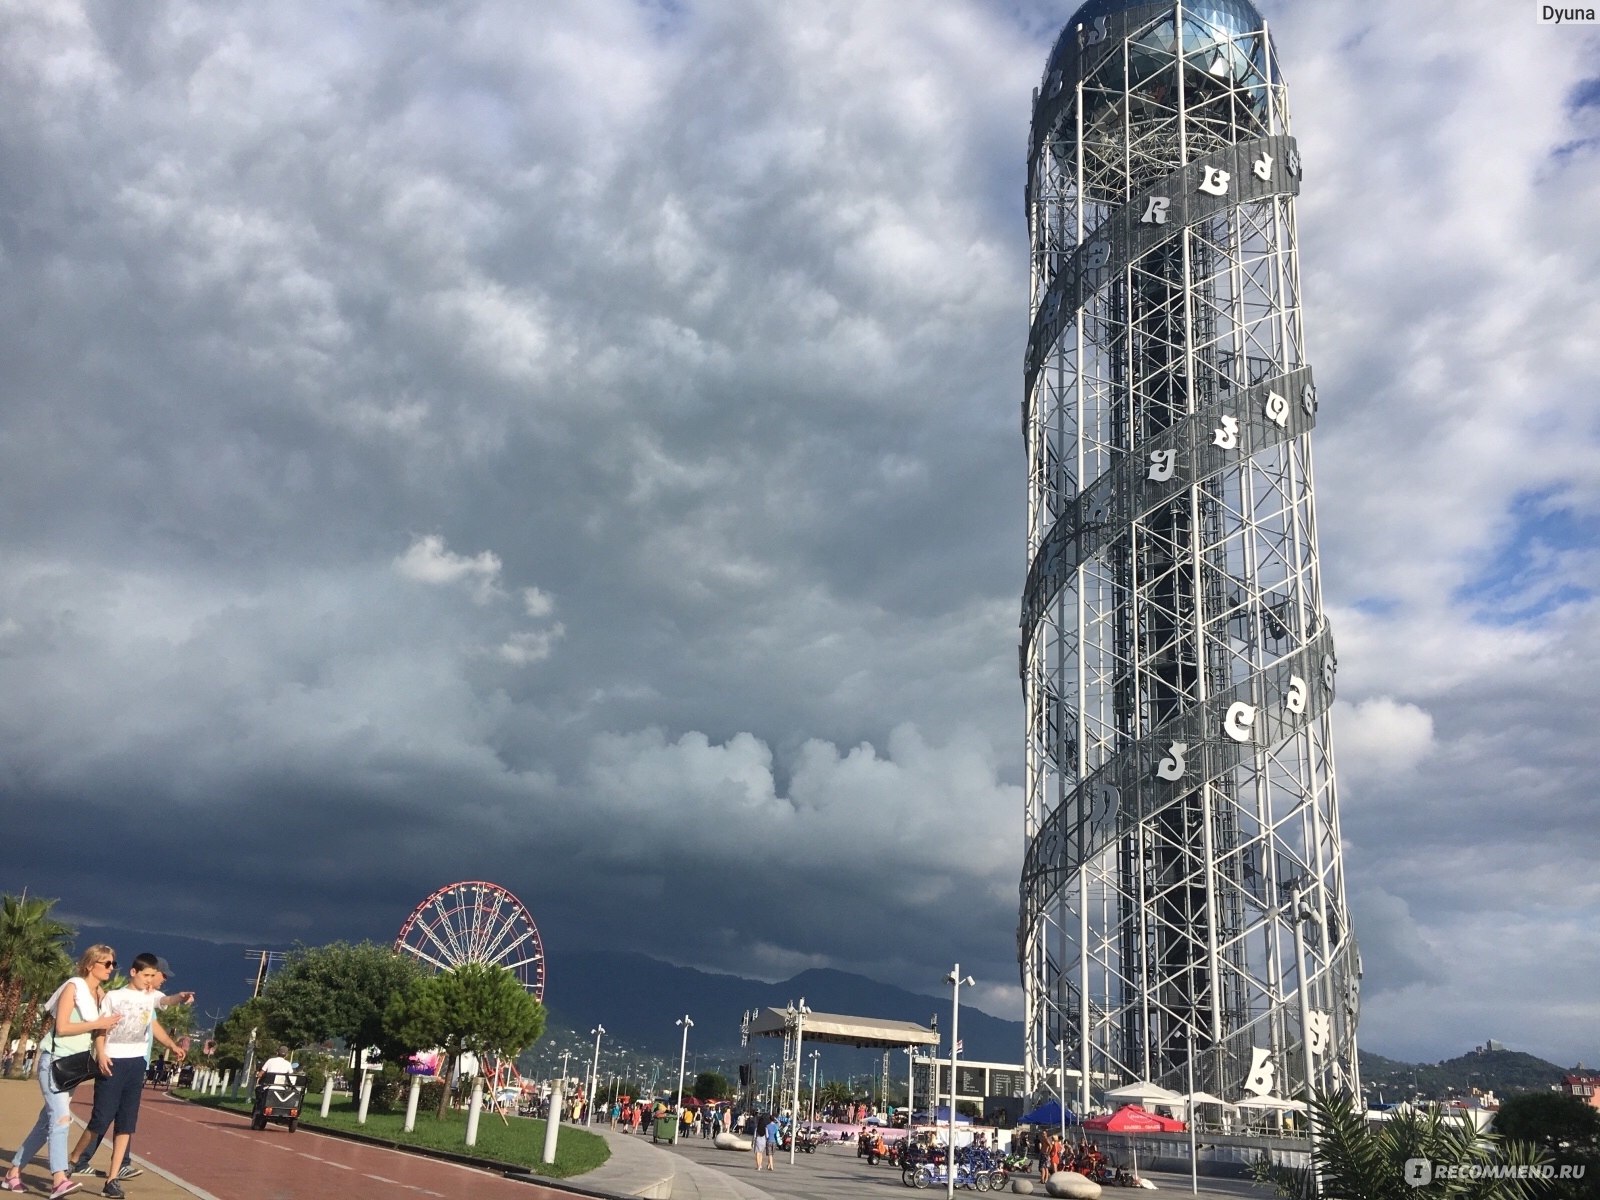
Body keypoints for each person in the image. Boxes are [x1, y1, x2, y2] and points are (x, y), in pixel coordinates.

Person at [5, 946, 122, 1200]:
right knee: (60, 1119)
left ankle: (13, 1173)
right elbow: (63, 1026)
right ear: (90, 964)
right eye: (107, 963)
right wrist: (98, 1023)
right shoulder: (74, 987)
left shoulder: (99, 995)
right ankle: (59, 1178)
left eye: (113, 963)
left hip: (73, 1067)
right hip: (54, 1061)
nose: (111, 968)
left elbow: (98, 1031)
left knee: (46, 1123)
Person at [83, 954, 190, 1199]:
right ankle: (76, 1158)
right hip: (112, 1060)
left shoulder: (150, 997)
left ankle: (112, 1179)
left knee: (126, 1123)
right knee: (101, 1118)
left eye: (154, 976)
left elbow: (167, 1001)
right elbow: (100, 1027)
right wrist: (100, 1053)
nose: (151, 981)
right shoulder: (114, 996)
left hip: (136, 1063)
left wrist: (180, 999)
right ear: (134, 973)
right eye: (147, 976)